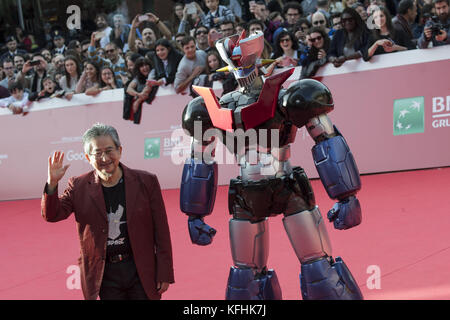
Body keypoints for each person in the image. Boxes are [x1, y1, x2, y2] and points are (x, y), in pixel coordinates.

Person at [41, 123, 174, 300]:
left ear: (120, 150)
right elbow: (52, 215)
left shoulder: (146, 181)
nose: (104, 158)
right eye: (97, 153)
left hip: (140, 269)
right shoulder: (78, 186)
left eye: (109, 150)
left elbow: (161, 230)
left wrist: (164, 272)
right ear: (88, 157)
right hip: (104, 275)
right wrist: (52, 184)